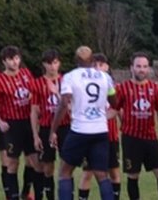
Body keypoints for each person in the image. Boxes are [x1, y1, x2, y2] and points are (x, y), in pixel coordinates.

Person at [52, 46, 118, 200]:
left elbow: (63, 104)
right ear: (93, 60)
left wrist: (52, 130)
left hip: (80, 130)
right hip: (100, 130)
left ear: (76, 60)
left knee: (65, 172)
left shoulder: (70, 77)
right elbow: (114, 101)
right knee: (102, 174)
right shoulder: (105, 77)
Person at [113, 52, 158, 200]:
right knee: (133, 175)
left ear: (148, 69)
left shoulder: (154, 88)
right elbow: (113, 109)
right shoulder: (123, 88)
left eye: (145, 66)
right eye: (138, 66)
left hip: (150, 137)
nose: (142, 69)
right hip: (131, 138)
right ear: (131, 68)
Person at [0, 45, 39, 200]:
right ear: (4, 61)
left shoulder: (26, 73)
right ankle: (13, 196)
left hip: (28, 123)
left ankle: (27, 192)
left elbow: (33, 94)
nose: (15, 62)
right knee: (12, 163)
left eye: (17, 58)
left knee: (34, 162)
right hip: (12, 125)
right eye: (11, 59)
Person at [31, 50, 70, 200]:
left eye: (55, 62)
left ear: (59, 63)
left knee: (67, 165)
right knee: (47, 167)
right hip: (46, 128)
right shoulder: (37, 83)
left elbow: (71, 106)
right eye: (49, 63)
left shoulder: (67, 80)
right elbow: (34, 111)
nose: (52, 66)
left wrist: (56, 93)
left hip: (65, 127)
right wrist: (35, 135)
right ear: (44, 64)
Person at [85, 53, 123, 200]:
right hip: (90, 136)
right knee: (87, 173)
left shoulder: (113, 86)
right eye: (94, 65)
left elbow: (118, 108)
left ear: (107, 67)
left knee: (113, 172)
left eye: (101, 65)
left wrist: (123, 122)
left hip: (110, 135)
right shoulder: (86, 87)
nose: (97, 68)